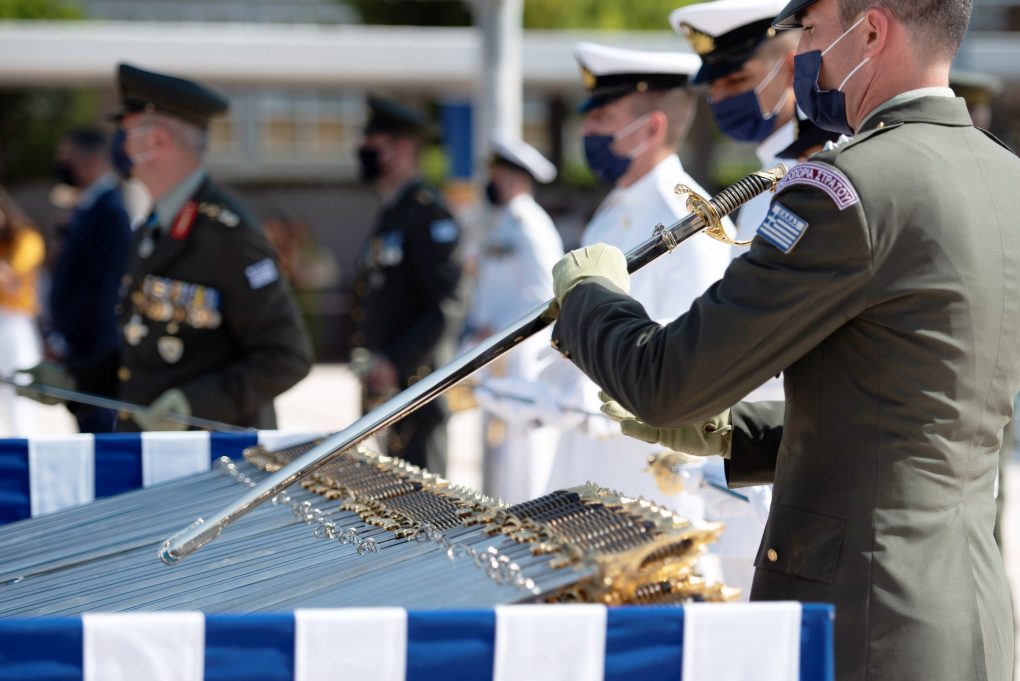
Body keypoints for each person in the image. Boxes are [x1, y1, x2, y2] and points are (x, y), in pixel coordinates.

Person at [548, 0, 1016, 679]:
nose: (804, 57)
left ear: (873, 31)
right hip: (964, 607)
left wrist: (589, 297)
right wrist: (731, 431)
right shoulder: (1006, 177)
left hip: (861, 613)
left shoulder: (847, 187)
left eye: (813, 34)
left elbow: (666, 382)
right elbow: (915, 410)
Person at [22, 63, 313, 431]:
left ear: (157, 140)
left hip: (214, 463)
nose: (120, 144)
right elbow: (146, 354)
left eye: (126, 132)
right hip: (160, 455)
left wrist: (192, 406)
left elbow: (287, 357)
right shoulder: (153, 226)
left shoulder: (227, 233)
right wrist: (75, 380)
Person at [530, 43, 736, 535]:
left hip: (646, 470)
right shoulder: (615, 204)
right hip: (591, 457)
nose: (587, 131)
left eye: (602, 117)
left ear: (651, 127)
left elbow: (693, 347)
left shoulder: (686, 213)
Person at [349, 96, 469, 474]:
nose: (364, 151)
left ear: (401, 148)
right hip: (389, 387)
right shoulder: (394, 211)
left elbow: (448, 303)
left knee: (423, 509)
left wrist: (395, 360)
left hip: (418, 386)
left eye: (374, 144)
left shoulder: (427, 212)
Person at [468, 132, 564, 503]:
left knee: (525, 460)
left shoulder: (530, 224)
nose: (489, 182)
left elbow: (546, 293)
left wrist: (499, 330)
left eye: (496, 174)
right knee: (502, 454)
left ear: (515, 178)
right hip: (500, 354)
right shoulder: (502, 221)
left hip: (522, 356)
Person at [48, 127, 134, 433]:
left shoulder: (109, 211)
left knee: (99, 430)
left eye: (68, 157)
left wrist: (72, 339)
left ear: (92, 159)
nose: (64, 165)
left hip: (95, 346)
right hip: (83, 344)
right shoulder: (89, 207)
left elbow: (105, 289)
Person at [0, 190, 44, 436]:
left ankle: (24, 441)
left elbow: (11, 274)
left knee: (20, 385)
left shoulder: (26, 237)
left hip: (16, 320)